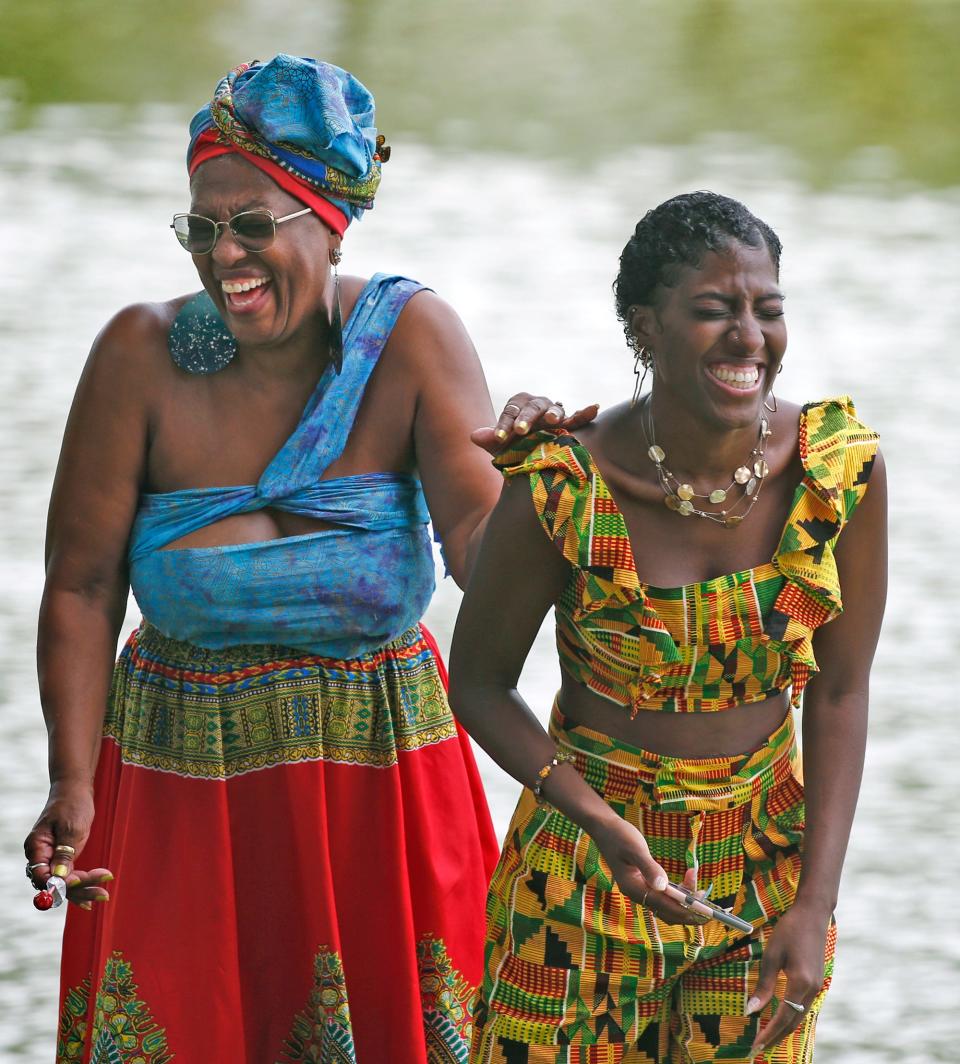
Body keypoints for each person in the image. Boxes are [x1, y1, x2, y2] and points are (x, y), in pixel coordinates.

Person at [23, 56, 591, 1063]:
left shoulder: (412, 338)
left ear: (328, 221)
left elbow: (476, 553)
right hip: (179, 783)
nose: (222, 254)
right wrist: (75, 781)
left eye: (252, 224)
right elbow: (80, 582)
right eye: (201, 225)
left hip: (378, 777)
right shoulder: (135, 357)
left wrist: (545, 484)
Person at [449, 192, 886, 1062]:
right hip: (582, 871)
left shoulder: (837, 475)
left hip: (760, 875)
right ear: (645, 329)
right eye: (715, 310)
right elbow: (480, 683)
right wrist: (596, 819)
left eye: (767, 309)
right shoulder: (564, 486)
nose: (749, 337)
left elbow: (840, 691)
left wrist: (815, 905)